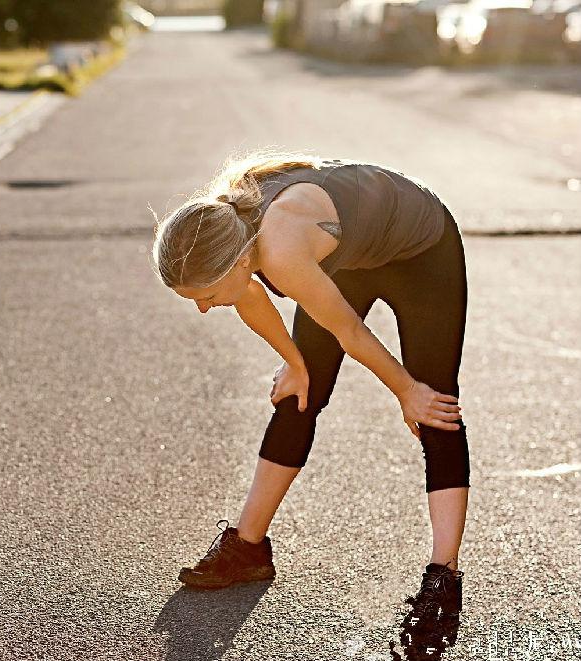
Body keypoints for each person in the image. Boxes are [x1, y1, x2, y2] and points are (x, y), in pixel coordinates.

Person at [149, 149, 469, 622]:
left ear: (237, 265)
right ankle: (248, 548)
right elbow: (250, 298)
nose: (203, 308)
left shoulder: (281, 250)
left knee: (432, 401)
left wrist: (406, 391)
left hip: (421, 251)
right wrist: (295, 362)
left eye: (206, 297)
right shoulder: (228, 232)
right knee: (299, 393)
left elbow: (352, 334)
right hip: (347, 257)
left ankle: (444, 574)